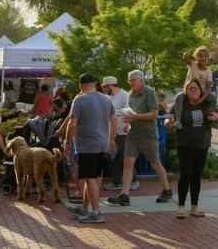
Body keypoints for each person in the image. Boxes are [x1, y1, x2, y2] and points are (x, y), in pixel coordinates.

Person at [109, 70, 173, 206]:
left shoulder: (149, 92)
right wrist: (128, 121)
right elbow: (129, 110)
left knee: (155, 163)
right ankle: (124, 195)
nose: (130, 83)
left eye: (133, 80)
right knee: (127, 162)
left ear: (141, 80)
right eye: (129, 81)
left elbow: (154, 114)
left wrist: (134, 117)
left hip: (148, 134)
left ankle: (166, 190)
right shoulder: (130, 94)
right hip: (133, 134)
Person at [167, 79, 218, 218]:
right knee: (185, 174)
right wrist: (170, 121)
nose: (193, 90)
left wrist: (217, 118)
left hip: (202, 144)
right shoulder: (181, 104)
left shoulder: (206, 104)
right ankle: (181, 206)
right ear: (185, 91)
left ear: (200, 91)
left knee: (196, 176)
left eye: (195, 88)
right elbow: (167, 121)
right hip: (184, 144)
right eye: (190, 88)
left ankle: (194, 207)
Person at [65, 74, 117, 223]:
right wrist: (111, 139)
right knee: (95, 178)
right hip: (102, 144)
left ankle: (96, 212)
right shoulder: (106, 99)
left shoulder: (80, 99)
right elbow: (113, 119)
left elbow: (72, 124)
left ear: (81, 85)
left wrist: (67, 143)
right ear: (95, 83)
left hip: (87, 145)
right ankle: (84, 207)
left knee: (89, 178)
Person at [100, 76, 139, 192]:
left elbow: (132, 110)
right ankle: (116, 181)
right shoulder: (108, 97)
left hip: (123, 133)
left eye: (104, 86)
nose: (103, 89)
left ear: (110, 85)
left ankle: (134, 180)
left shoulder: (124, 95)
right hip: (111, 133)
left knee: (125, 157)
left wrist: (130, 123)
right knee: (111, 157)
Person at [174, 47, 216, 129]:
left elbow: (208, 90)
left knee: (213, 98)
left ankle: (212, 119)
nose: (202, 58)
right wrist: (186, 55)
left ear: (208, 58)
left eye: (205, 56)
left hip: (200, 92)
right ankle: (178, 121)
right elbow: (186, 59)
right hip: (188, 90)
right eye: (200, 56)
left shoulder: (208, 71)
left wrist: (201, 99)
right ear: (196, 57)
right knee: (179, 97)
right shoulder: (193, 65)